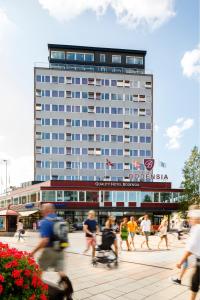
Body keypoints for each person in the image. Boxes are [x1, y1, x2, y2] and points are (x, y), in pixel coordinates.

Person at [30, 203, 73, 300]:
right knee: (61, 271)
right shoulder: (61, 220)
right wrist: (64, 251)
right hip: (60, 250)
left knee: (39, 270)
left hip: (49, 251)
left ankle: (35, 290)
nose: (41, 212)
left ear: (47, 211)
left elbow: (45, 240)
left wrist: (33, 252)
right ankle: (68, 293)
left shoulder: (45, 221)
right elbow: (64, 237)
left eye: (42, 210)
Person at [175, 205, 200, 300]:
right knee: (195, 281)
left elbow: (190, 248)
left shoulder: (197, 228)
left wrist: (180, 262)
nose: (189, 220)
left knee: (195, 282)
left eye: (191, 218)